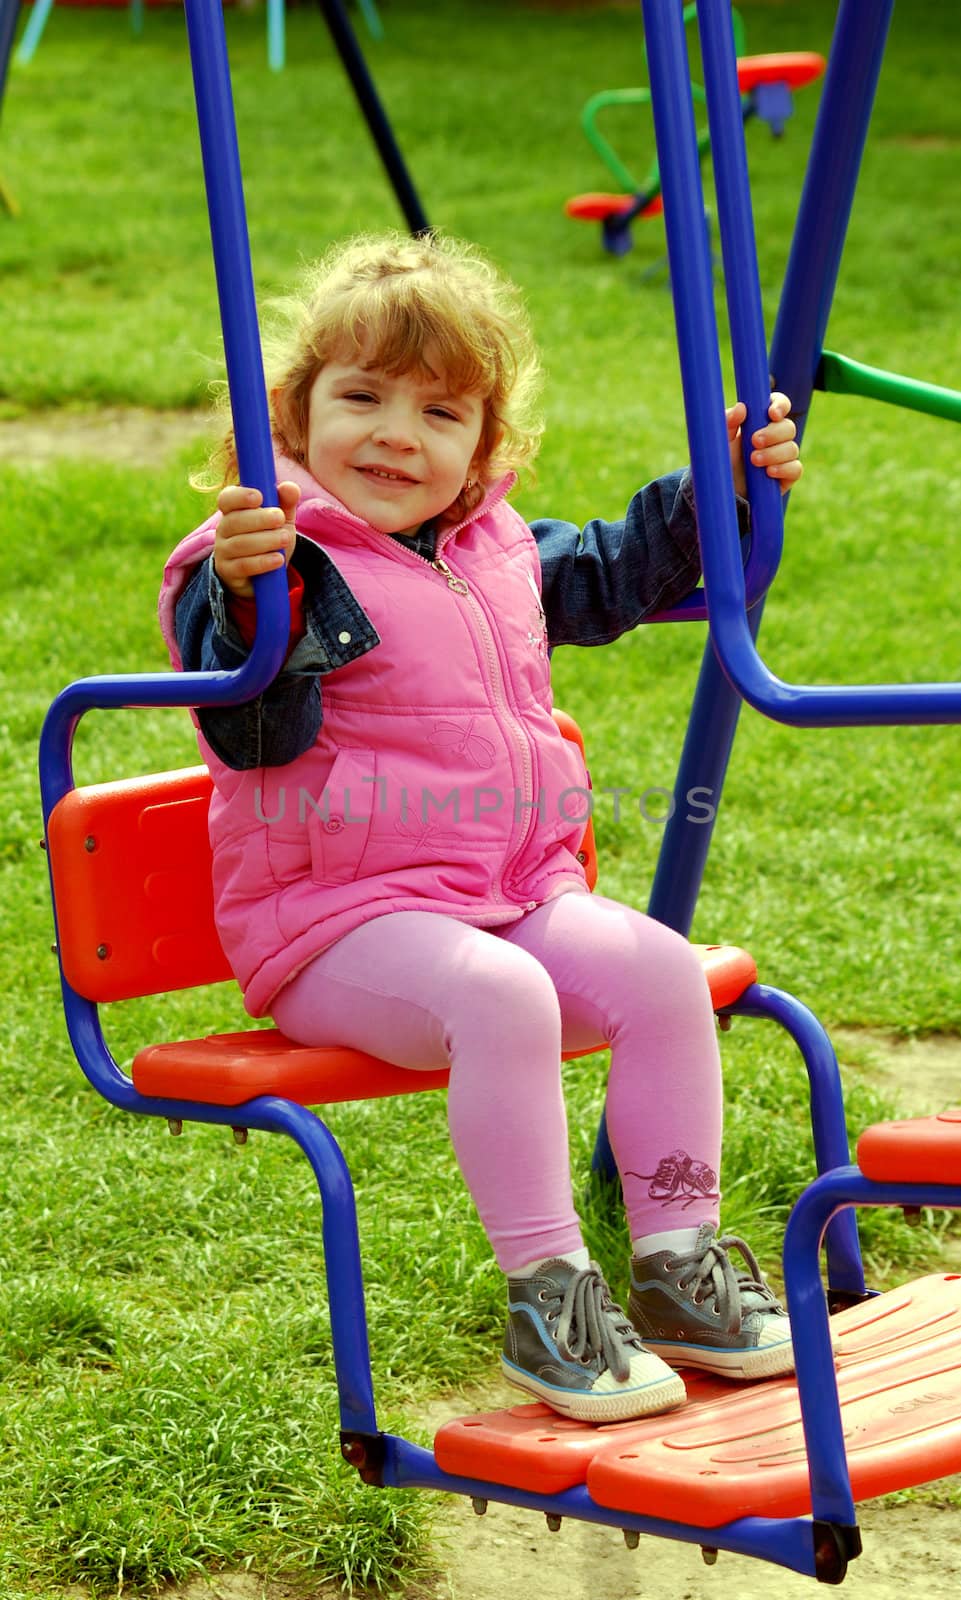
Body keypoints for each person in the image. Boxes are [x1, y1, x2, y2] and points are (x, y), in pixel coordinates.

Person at [159, 231, 802, 1425]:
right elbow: (253, 732)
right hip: (339, 928)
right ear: (289, 421)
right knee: (504, 995)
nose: (397, 434)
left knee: (663, 972)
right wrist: (252, 598)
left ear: (480, 451)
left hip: (505, 895)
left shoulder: (494, 548)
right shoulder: (269, 558)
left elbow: (617, 569)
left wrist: (717, 482)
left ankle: (677, 1263)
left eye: (439, 412)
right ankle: (549, 1296)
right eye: (361, 398)